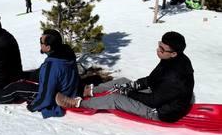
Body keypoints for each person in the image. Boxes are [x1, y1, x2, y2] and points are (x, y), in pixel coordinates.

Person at [56, 32, 195, 123]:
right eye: (159, 45)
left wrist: (128, 92)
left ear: (174, 53)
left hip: (160, 112)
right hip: (158, 94)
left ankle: (76, 103)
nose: (158, 50)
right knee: (123, 81)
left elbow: (154, 101)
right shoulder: (170, 59)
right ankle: (91, 91)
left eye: (163, 49)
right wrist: (132, 86)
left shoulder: (175, 77)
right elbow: (151, 79)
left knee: (115, 99)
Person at [0, 29, 80, 119]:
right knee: (23, 77)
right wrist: (23, 75)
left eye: (41, 42)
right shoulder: (65, 53)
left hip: (57, 95)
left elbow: (45, 95)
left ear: (48, 47)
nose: (40, 43)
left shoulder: (51, 66)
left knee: (17, 88)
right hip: (68, 86)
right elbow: (43, 73)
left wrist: (32, 106)